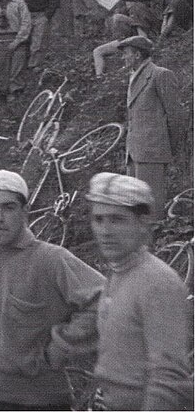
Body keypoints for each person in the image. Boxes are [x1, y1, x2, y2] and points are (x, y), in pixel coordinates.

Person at [0, 170, 106, 410]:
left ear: (25, 212)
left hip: (42, 401)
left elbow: (103, 299)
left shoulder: (51, 259)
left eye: (8, 208)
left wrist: (60, 347)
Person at [87, 173, 192, 410]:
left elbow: (167, 380)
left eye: (117, 220)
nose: (105, 231)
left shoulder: (158, 283)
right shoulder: (119, 272)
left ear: (142, 224)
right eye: (99, 219)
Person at [117, 36, 184, 218]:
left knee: (151, 211)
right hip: (134, 153)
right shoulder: (134, 77)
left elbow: (175, 116)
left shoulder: (160, 75)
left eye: (126, 54)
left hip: (152, 151)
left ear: (138, 54)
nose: (123, 58)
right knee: (137, 210)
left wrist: (168, 147)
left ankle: (156, 244)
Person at [93, 0, 159, 76]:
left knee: (122, 15)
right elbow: (115, 25)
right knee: (97, 51)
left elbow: (155, 16)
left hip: (148, 33)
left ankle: (142, 45)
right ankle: (100, 78)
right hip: (128, 37)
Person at [18, 0, 60, 70]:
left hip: (41, 15)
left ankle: (36, 67)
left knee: (39, 42)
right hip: (29, 16)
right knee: (27, 40)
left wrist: (47, 16)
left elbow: (54, 0)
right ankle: (28, 66)